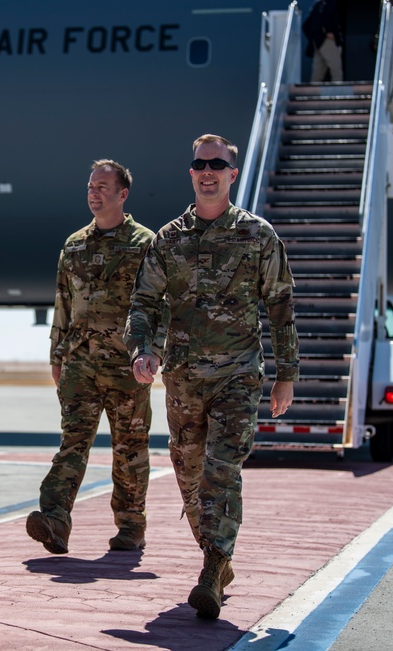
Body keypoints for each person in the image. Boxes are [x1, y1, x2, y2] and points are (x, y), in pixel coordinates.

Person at [124, 134, 298, 619]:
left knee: (222, 471)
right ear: (191, 171)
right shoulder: (169, 239)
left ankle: (211, 569)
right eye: (199, 163)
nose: (207, 171)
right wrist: (144, 350)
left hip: (238, 375)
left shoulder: (258, 235)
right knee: (190, 475)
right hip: (182, 380)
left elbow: (281, 306)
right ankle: (218, 558)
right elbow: (144, 304)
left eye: (217, 164)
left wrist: (287, 375)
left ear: (232, 174)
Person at [26, 160, 162, 555]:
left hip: (126, 366)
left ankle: (131, 526)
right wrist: (56, 354)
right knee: (73, 441)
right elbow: (63, 303)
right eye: (90, 185)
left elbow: (159, 304)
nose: (94, 192)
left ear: (123, 194)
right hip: (80, 364)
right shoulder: (74, 244)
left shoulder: (144, 244)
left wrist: (152, 351)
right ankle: (54, 519)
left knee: (130, 447)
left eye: (103, 186)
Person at [303, 0, 344, 82]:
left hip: (317, 43)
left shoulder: (318, 1)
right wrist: (328, 33)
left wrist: (315, 37)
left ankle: (312, 96)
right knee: (337, 71)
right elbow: (329, 19)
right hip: (327, 42)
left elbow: (305, 25)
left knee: (317, 74)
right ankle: (339, 95)